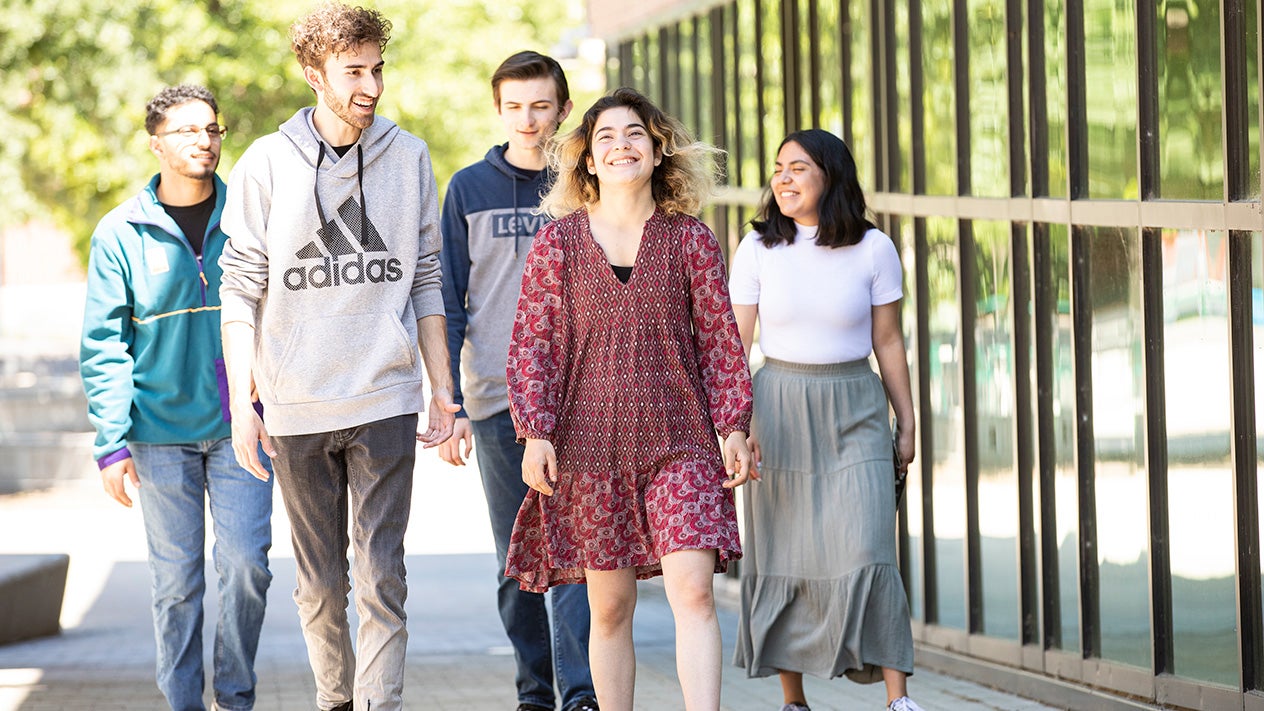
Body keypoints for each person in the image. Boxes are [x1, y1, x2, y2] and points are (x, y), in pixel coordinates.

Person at [217, 4, 458, 710]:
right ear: (312, 73)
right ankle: (335, 698)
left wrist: (443, 387)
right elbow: (239, 290)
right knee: (320, 583)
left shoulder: (408, 156)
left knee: (382, 574)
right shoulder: (265, 162)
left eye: (378, 69)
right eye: (354, 71)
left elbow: (426, 278)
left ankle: (381, 702)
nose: (372, 86)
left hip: (386, 395)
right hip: (297, 403)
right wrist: (244, 403)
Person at [504, 87, 755, 711]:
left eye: (634, 134)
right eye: (606, 137)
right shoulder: (557, 245)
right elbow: (533, 344)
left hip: (682, 443)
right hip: (587, 450)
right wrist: (535, 430)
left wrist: (733, 426)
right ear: (587, 158)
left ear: (657, 148)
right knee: (609, 607)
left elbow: (720, 340)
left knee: (693, 593)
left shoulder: (691, 240)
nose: (621, 146)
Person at [79, 84, 273, 711]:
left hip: (242, 425)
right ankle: (184, 704)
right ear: (156, 141)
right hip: (158, 433)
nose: (204, 141)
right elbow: (104, 344)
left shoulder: (248, 218)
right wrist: (111, 442)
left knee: (247, 566)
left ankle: (235, 697)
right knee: (177, 584)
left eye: (212, 129)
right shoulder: (120, 232)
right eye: (188, 130)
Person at [728, 128, 922, 711]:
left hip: (855, 406)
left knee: (868, 548)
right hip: (779, 407)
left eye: (798, 169)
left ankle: (898, 700)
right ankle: (794, 702)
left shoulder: (874, 248)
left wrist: (906, 421)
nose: (782, 179)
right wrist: (736, 425)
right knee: (785, 554)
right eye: (778, 169)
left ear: (830, 176)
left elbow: (887, 341)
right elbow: (735, 346)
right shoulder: (757, 248)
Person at [437, 51, 598, 711]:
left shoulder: (586, 187)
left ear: (562, 109)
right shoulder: (469, 188)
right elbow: (448, 298)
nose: (529, 120)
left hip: (584, 398)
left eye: (541, 105)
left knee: (583, 554)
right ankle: (535, 691)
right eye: (515, 106)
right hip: (498, 399)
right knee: (519, 556)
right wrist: (449, 404)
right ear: (498, 110)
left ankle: (582, 691)